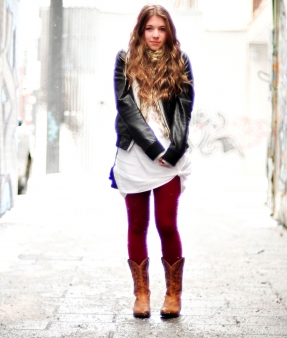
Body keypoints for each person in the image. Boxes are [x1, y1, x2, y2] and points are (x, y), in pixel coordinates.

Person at [111, 5, 194, 318]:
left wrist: (174, 150)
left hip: (170, 159)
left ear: (168, 31)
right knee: (137, 225)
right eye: (150, 28)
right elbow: (125, 107)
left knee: (166, 224)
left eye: (161, 28)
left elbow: (185, 108)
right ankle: (142, 295)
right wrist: (152, 148)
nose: (156, 35)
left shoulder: (180, 61)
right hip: (135, 153)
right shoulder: (125, 60)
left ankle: (173, 294)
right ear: (141, 30)